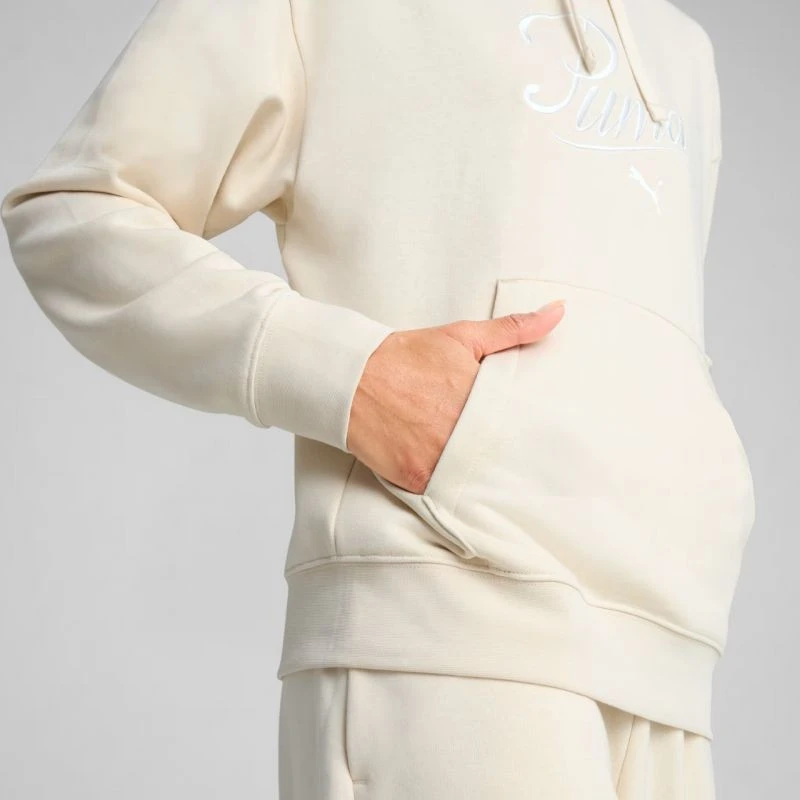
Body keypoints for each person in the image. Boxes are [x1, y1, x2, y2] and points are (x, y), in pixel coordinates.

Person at [1, 0, 755, 797]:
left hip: (672, 654)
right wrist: (349, 376)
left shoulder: (682, 52)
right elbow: (75, 214)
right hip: (445, 618)